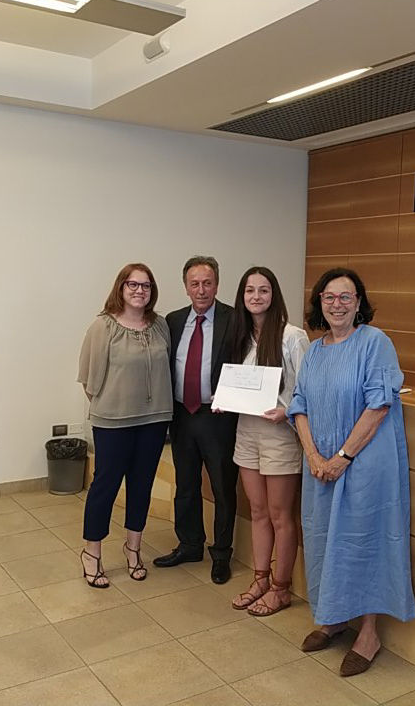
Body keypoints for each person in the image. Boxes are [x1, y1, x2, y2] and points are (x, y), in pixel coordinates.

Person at [287, 267, 415, 677]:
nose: (337, 304)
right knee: (323, 538)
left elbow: (379, 406)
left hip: (363, 466)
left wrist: (342, 457)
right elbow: (299, 405)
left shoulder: (375, 343)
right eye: (329, 297)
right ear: (319, 303)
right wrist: (313, 455)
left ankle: (369, 634)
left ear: (359, 302)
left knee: (363, 541)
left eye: (345, 297)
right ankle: (334, 617)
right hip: (319, 467)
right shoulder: (314, 351)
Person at [78, 263, 173, 588]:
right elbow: (88, 381)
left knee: (141, 485)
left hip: (154, 420)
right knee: (105, 486)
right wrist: (114, 405)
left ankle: (133, 549)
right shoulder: (103, 326)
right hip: (113, 422)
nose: (139, 290)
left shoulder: (160, 326)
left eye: (146, 285)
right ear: (121, 287)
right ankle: (92, 553)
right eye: (132, 284)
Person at [229, 267, 310, 616]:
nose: (256, 297)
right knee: (258, 511)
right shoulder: (241, 336)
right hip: (246, 430)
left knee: (280, 515)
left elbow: (308, 389)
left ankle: (281, 588)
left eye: (263, 290)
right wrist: (225, 399)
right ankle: (260, 579)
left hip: (280, 433)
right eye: (250, 290)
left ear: (274, 295)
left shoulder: (293, 336)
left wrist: (287, 411)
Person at [153, 256, 238, 584]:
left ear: (217, 284)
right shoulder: (173, 320)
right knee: (185, 484)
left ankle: (221, 553)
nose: (201, 290)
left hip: (218, 417)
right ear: (186, 287)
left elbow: (246, 363)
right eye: (195, 284)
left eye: (207, 283)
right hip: (182, 415)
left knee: (222, 487)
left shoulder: (234, 319)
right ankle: (189, 544)